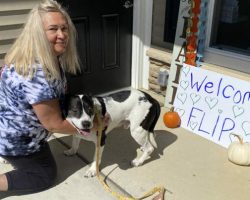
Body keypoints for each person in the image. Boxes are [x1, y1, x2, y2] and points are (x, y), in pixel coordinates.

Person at [0, 0, 92, 193]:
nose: (62, 35)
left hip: (14, 130)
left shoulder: (39, 56)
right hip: (17, 141)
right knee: (45, 175)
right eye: (53, 29)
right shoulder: (38, 74)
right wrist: (95, 125)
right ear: (38, 34)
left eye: (64, 28)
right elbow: (54, 125)